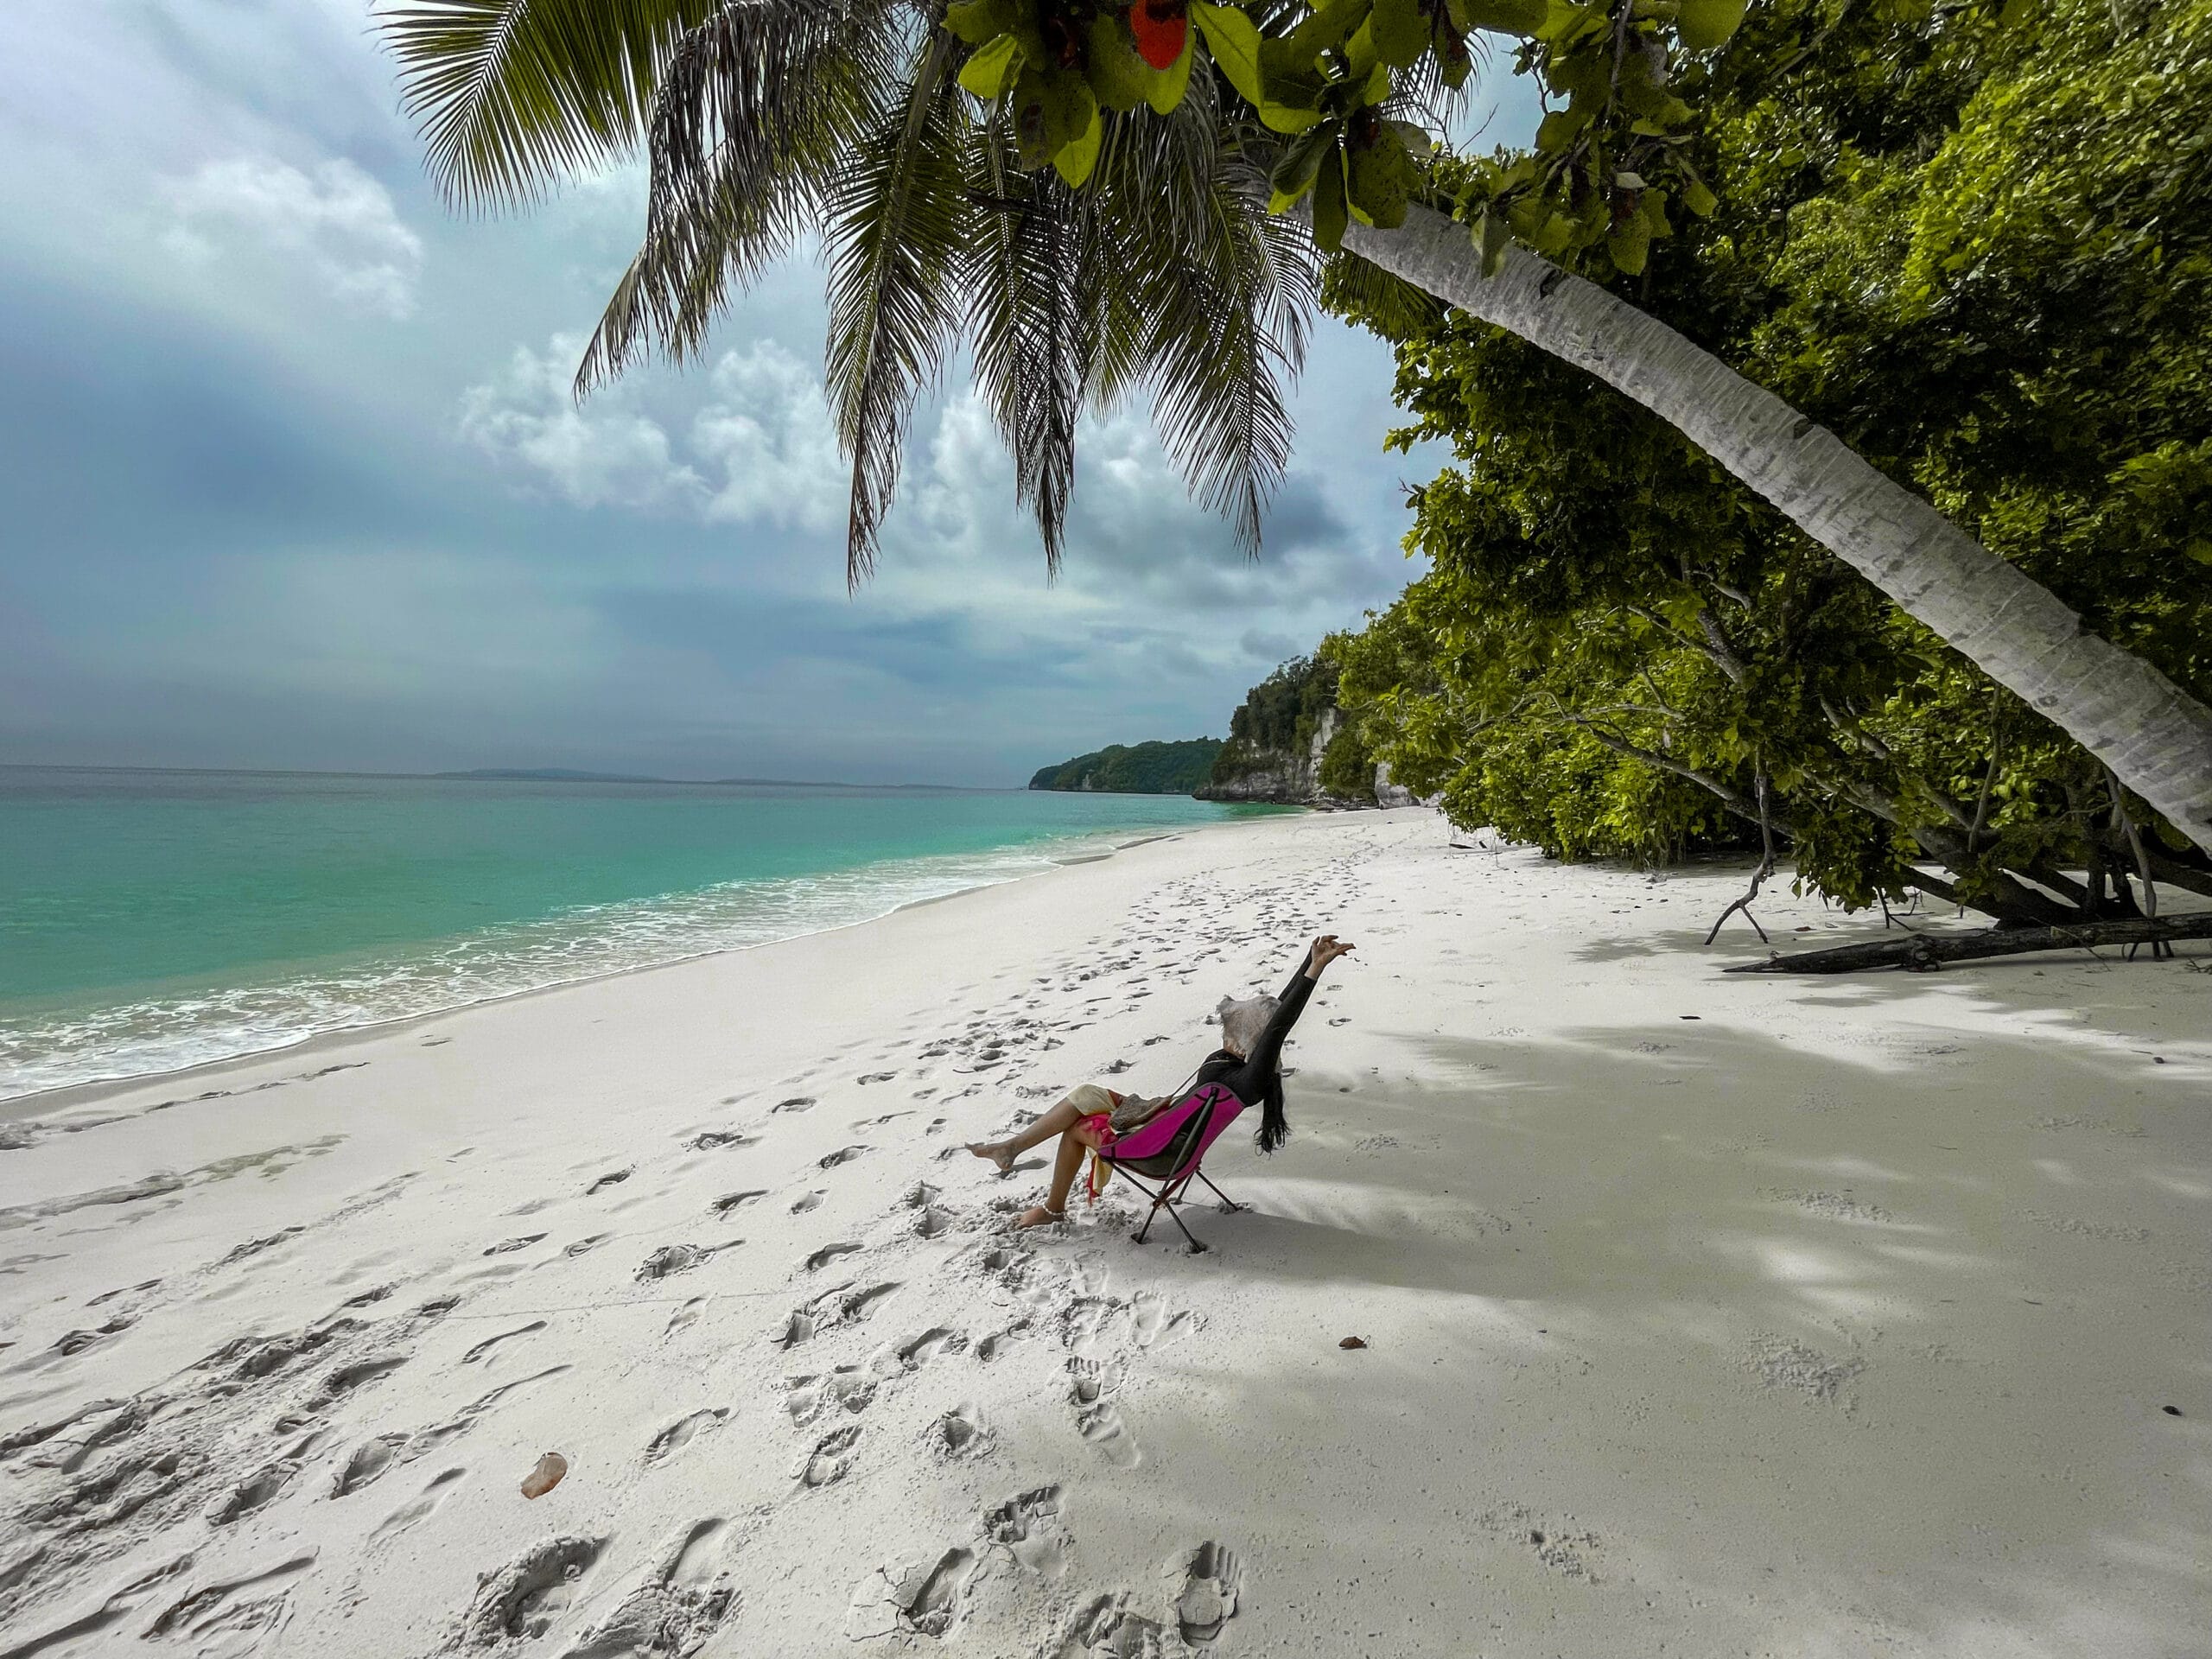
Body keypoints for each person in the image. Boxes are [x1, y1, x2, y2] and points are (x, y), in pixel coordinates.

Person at [968, 933, 1357, 1227]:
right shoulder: (1245, 1068)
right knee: (1086, 1093)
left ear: (1240, 1038)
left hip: (1160, 1149)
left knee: (1073, 1129)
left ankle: (1053, 1209)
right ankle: (1013, 1147)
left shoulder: (1247, 1079)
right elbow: (1271, 1021)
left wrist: (1315, 973)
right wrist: (1308, 960)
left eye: (1230, 1026)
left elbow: (1276, 1029)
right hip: (1165, 1125)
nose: (1224, 1030)